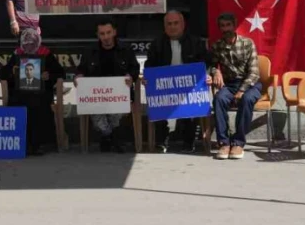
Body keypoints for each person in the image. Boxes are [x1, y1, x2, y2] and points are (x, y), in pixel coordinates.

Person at [144, 10, 210, 153]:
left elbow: (205, 63)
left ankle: (189, 141)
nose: (172, 27)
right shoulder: (157, 44)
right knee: (157, 99)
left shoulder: (195, 42)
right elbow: (150, 64)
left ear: (183, 24)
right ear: (164, 26)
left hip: (188, 86)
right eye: (169, 24)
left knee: (193, 101)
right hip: (165, 87)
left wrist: (208, 75)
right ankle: (162, 141)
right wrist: (147, 77)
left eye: (176, 23)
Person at [76, 19, 140, 153]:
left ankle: (108, 138)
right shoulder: (90, 51)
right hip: (96, 97)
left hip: (119, 96)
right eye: (102, 34)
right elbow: (81, 70)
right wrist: (79, 76)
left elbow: (135, 68)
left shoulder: (125, 50)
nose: (106, 37)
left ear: (114, 32)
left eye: (108, 33)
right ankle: (111, 136)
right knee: (96, 113)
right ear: (98, 35)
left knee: (116, 110)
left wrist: (131, 76)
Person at [0, 29, 63, 156]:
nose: (29, 46)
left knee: (37, 104)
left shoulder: (45, 53)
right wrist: (12, 71)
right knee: (19, 102)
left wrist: (48, 75)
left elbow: (60, 72)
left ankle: (38, 145)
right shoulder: (17, 54)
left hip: (41, 93)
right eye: (26, 44)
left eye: (32, 44)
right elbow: (3, 73)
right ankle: (21, 143)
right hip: (20, 93)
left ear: (37, 42)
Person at [209, 13, 263, 161]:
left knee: (246, 100)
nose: (225, 29)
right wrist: (216, 71)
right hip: (230, 84)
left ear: (234, 25)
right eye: (222, 26)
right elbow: (210, 64)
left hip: (250, 84)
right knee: (219, 99)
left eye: (228, 25)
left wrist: (241, 90)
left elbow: (254, 72)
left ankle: (238, 142)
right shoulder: (217, 46)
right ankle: (224, 142)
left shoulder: (247, 43)